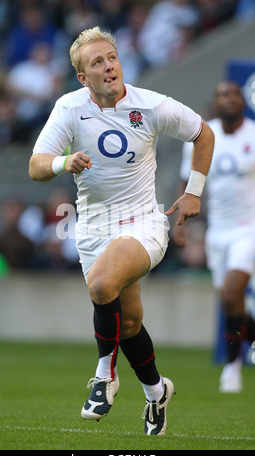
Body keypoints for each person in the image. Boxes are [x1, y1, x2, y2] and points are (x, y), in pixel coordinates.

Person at [29, 26, 214, 435]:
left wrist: (193, 192)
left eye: (111, 57)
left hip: (144, 223)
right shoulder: (69, 107)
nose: (108, 66)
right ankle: (155, 392)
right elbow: (37, 164)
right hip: (94, 229)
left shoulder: (150, 105)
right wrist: (64, 163)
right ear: (83, 77)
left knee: (100, 285)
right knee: (127, 324)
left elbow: (203, 132)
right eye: (97, 62)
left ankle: (103, 378)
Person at [176, 81, 255, 392]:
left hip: (249, 229)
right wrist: (179, 223)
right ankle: (241, 353)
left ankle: (232, 367)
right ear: (215, 102)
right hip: (217, 232)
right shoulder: (200, 139)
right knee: (228, 302)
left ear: (242, 100)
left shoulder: (253, 133)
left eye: (234, 94)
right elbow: (187, 182)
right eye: (223, 95)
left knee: (234, 290)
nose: (229, 100)